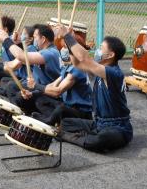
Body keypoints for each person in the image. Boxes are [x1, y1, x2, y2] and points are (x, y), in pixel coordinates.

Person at [55, 24, 133, 152]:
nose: (97, 50)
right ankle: (85, 137)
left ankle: (69, 137)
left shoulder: (114, 73)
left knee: (99, 140)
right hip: (99, 124)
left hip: (118, 128)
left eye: (101, 48)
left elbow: (84, 58)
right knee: (65, 122)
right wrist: (68, 44)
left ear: (110, 55)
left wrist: (67, 36)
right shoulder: (99, 69)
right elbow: (77, 63)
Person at [0, 20, 61, 115]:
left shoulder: (50, 53)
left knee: (15, 91)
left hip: (46, 92)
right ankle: (19, 112)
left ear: (43, 39)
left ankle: (18, 114)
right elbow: (15, 62)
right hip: (37, 88)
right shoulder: (43, 51)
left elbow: (21, 56)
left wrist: (7, 40)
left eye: (35, 37)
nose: (33, 39)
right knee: (11, 87)